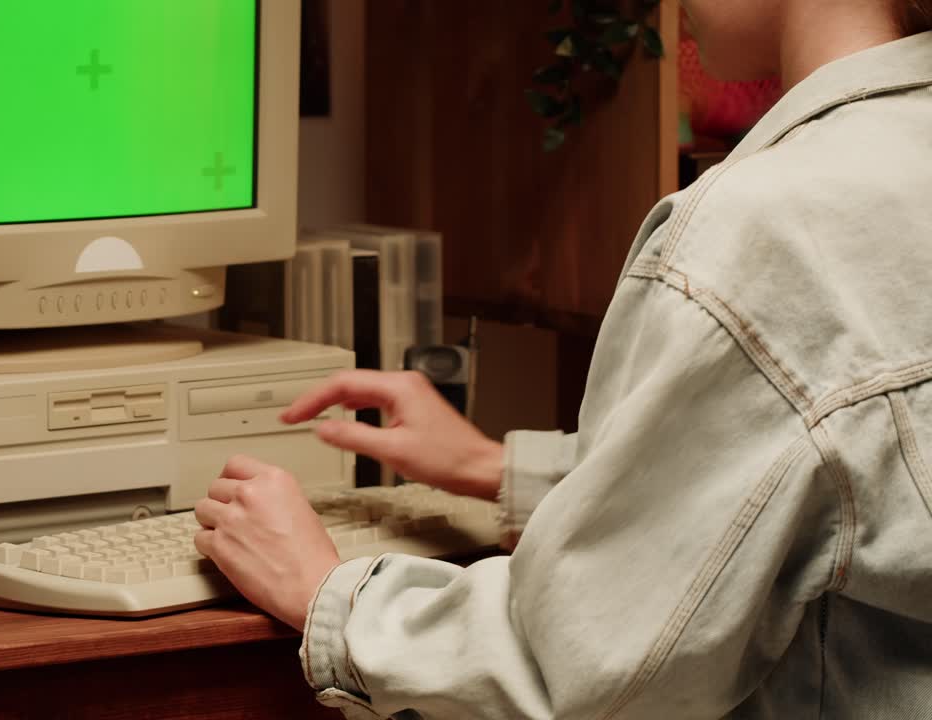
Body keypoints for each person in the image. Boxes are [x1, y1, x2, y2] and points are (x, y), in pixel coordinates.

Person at [193, 1, 932, 717]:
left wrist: (332, 597)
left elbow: (587, 682)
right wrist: (498, 469)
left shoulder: (765, 231)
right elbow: (838, 489)